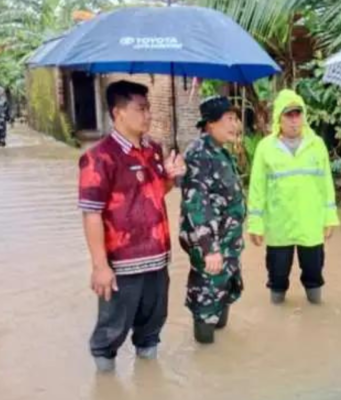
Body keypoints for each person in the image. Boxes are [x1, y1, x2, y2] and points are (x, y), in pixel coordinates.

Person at [78, 80, 186, 372]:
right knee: (111, 330)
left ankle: (149, 380)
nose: (148, 115)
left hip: (157, 256)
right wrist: (100, 266)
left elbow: (154, 193)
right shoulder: (98, 157)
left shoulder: (153, 149)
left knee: (152, 326)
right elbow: (91, 214)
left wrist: (171, 176)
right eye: (141, 109)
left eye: (148, 108)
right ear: (118, 113)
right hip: (123, 263)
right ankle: (105, 382)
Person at [247, 89, 339, 305]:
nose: (294, 120)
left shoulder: (317, 145)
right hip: (280, 225)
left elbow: (326, 185)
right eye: (289, 115)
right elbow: (257, 189)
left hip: (311, 224)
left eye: (298, 114)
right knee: (277, 279)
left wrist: (330, 218)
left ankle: (315, 314)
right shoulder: (265, 148)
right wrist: (255, 224)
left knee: (314, 278)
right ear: (279, 117)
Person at [179, 96, 246, 344]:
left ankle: (221, 363)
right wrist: (209, 249)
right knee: (207, 301)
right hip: (212, 247)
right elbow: (197, 205)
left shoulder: (220, 151)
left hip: (227, 242)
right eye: (228, 119)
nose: (235, 125)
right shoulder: (199, 154)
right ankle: (206, 357)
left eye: (235, 119)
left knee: (224, 292)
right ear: (210, 124)